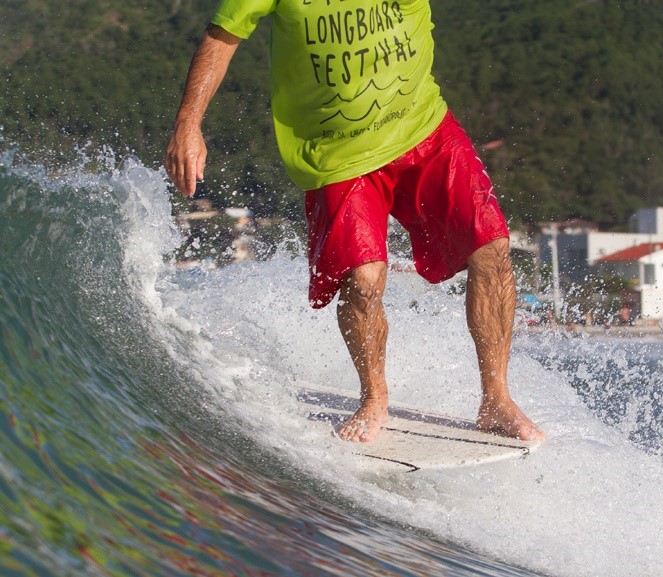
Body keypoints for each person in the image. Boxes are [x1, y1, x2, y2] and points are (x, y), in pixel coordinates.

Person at [164, 0, 545, 444]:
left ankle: (496, 400)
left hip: (424, 129)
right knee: (362, 279)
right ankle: (374, 397)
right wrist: (188, 124)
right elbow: (221, 36)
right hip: (338, 155)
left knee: (492, 248)